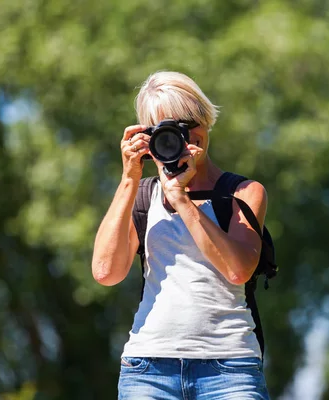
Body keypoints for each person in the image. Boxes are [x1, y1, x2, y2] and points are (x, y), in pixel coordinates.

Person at [91, 71, 270, 399]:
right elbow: (105, 272)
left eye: (189, 123)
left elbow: (238, 270)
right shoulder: (142, 196)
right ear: (149, 137)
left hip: (230, 369)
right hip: (148, 369)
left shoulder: (243, 192)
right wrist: (129, 178)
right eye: (168, 130)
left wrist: (182, 201)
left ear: (206, 120)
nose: (184, 137)